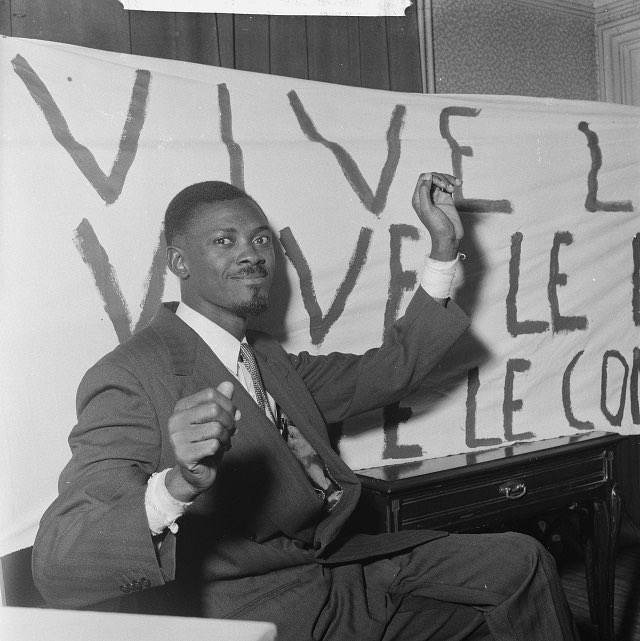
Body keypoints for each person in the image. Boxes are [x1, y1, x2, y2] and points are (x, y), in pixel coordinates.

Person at [33, 173, 579, 640]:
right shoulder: (130, 376)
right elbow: (60, 565)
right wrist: (178, 484)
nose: (251, 254)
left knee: (519, 562)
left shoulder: (266, 358)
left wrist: (442, 247)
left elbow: (391, 370)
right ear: (180, 261)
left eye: (261, 240)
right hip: (258, 612)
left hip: (338, 574)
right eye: (224, 241)